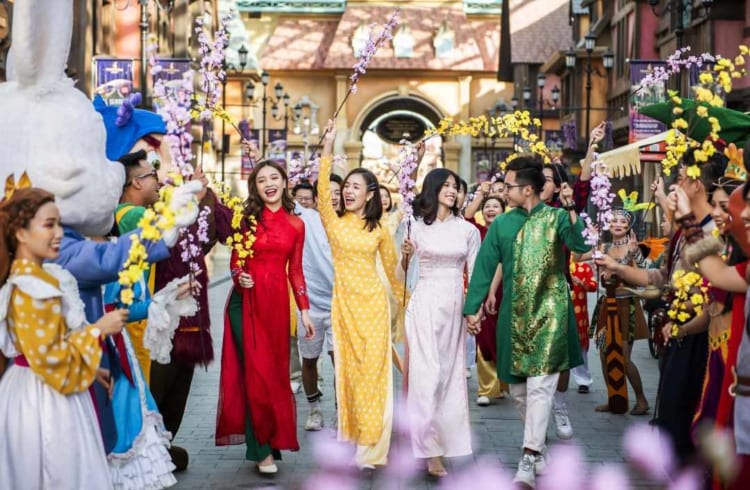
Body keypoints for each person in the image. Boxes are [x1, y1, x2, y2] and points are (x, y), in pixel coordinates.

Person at [464, 157, 590, 488]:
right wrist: (472, 307)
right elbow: (485, 266)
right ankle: (539, 448)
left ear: (529, 189)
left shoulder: (557, 218)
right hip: (513, 318)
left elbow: (580, 244)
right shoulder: (502, 225)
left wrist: (572, 207)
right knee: (519, 391)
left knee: (540, 388)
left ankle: (528, 455)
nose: (504, 192)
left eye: (509, 187)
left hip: (551, 317)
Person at [596, 150, 724, 465]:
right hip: (678, 332)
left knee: (686, 423)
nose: (675, 185)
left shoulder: (712, 232)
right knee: (670, 416)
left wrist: (683, 326)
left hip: (701, 339)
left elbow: (714, 295)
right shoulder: (686, 230)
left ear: (695, 183)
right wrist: (618, 267)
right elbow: (662, 277)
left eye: (679, 177)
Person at [0, 185, 129, 488]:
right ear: (20, 233)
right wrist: (98, 329)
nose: (59, 233)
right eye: (49, 225)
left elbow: (47, 348)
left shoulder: (38, 280)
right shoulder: (31, 289)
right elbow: (47, 356)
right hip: (44, 399)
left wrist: (89, 367)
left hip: (42, 387)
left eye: (59, 223)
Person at [215, 161, 315, 474]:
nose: (269, 184)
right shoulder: (246, 219)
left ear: (285, 182)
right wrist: (240, 277)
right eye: (261, 180)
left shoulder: (297, 225)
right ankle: (261, 451)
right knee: (255, 372)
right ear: (255, 187)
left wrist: (305, 309)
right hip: (244, 303)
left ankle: (268, 439)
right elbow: (236, 262)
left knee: (273, 375)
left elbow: (296, 270)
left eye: (274, 177)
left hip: (276, 305)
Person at [317, 120, 405, 469]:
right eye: (347, 186)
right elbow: (323, 191)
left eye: (356, 187)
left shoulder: (379, 229)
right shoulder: (334, 221)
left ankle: (372, 446)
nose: (349, 191)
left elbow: (394, 273)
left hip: (374, 309)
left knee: (374, 375)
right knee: (350, 376)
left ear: (370, 194)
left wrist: (409, 304)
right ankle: (354, 436)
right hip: (344, 310)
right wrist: (328, 145)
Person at [400, 168, 480, 477]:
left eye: (456, 187)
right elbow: (401, 274)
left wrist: (474, 312)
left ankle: (445, 443)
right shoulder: (415, 228)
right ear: (432, 189)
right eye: (446, 185)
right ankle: (428, 449)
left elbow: (475, 277)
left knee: (449, 377)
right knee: (426, 376)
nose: (452, 190)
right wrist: (406, 256)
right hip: (424, 304)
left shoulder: (468, 231)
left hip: (454, 307)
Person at [295, 174, 342, 432]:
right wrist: (257, 159)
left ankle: (339, 413)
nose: (333, 196)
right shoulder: (307, 218)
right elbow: (276, 189)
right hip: (309, 306)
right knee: (310, 360)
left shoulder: (350, 222)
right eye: (327, 191)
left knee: (340, 362)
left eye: (338, 191)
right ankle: (314, 410)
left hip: (340, 306)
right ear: (316, 198)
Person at [592, 209, 650, 416]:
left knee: (624, 358)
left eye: (622, 221)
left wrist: (635, 253)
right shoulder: (602, 246)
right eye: (613, 220)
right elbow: (582, 260)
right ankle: (614, 398)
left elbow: (644, 273)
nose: (617, 224)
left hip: (627, 307)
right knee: (603, 353)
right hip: (606, 306)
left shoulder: (634, 247)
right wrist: (590, 238)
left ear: (628, 226)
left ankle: (641, 399)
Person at [465, 195, 507, 405]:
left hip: (507, 290)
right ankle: (486, 388)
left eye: (496, 206)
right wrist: (481, 194)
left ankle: (504, 383)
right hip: (483, 289)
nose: (491, 209)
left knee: (505, 337)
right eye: (487, 207)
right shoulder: (478, 232)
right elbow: (468, 217)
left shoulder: (511, 232)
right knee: (485, 337)